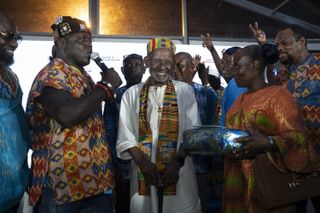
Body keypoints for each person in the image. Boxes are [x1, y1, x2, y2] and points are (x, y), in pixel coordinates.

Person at [26, 16, 122, 212]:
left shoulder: (83, 76)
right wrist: (106, 87)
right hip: (63, 190)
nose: (89, 46)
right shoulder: (51, 75)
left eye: (90, 41)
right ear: (61, 43)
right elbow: (66, 114)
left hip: (95, 185)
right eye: (82, 41)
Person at [224, 44, 313, 212]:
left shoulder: (278, 95)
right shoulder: (239, 100)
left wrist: (269, 142)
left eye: (238, 66)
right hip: (238, 182)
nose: (233, 71)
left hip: (267, 183)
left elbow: (300, 137)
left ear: (254, 65)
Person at [116, 37, 201, 213]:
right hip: (143, 170)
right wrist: (143, 163)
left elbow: (192, 133)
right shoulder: (131, 94)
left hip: (180, 168)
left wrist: (176, 163)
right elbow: (126, 135)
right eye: (157, 60)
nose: (163, 66)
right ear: (147, 62)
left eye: (168, 60)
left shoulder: (185, 91)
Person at [250, 22, 320, 212]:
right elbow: (273, 92)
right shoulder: (283, 73)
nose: (279, 48)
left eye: (285, 43)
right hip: (293, 160)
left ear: (302, 41)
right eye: (277, 45)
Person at [173, 51, 218, 213]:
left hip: (199, 166)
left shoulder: (206, 94)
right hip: (170, 165)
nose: (175, 70)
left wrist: (214, 167)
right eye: (173, 66)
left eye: (179, 66)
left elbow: (212, 129)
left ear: (192, 67)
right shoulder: (164, 93)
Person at [104, 53, 145, 213]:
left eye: (137, 65)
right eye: (129, 65)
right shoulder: (115, 95)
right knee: (124, 204)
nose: (133, 68)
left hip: (147, 161)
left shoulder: (149, 91)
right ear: (122, 69)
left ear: (144, 68)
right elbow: (109, 128)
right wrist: (115, 163)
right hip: (123, 162)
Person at [0, 11, 30, 212]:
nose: (15, 43)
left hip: (13, 190)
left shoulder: (10, 76)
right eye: (7, 36)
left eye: (16, 37)